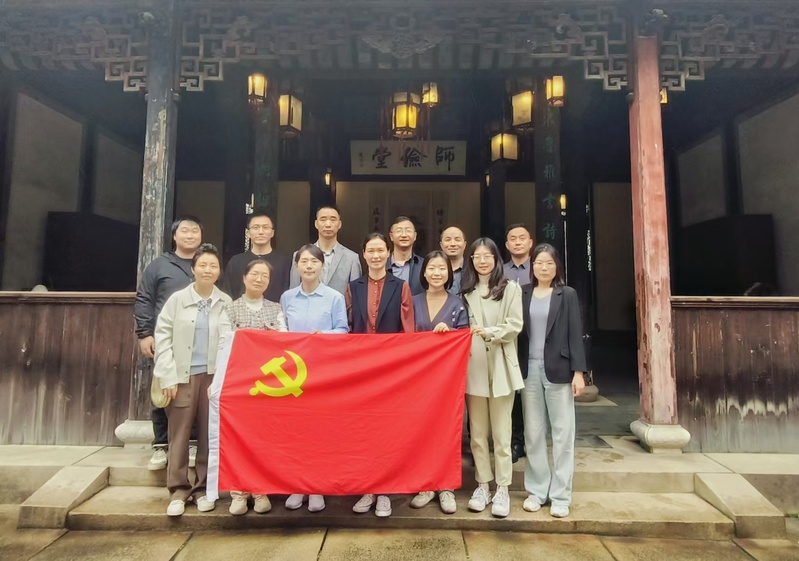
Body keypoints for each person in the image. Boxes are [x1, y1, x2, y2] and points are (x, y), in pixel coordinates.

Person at [154, 243, 232, 517]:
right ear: (193, 268)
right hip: (182, 376)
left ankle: (203, 488)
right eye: (203, 265)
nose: (208, 270)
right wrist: (168, 375)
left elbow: (229, 342)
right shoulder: (177, 300)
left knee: (210, 434)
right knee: (179, 433)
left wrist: (223, 378)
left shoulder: (225, 302)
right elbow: (163, 337)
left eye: (213, 266)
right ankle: (178, 489)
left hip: (213, 377)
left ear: (219, 271)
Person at [347, 232, 414, 518]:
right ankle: (367, 487)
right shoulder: (353, 287)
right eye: (370, 251)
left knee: (387, 429)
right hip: (360, 369)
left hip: (390, 370)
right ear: (364, 254)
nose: (375, 256)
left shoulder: (401, 287)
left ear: (388, 253)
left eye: (380, 251)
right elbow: (348, 327)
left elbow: (407, 330)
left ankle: (385, 490)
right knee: (364, 429)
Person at [518, 243, 587, 519]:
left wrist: (579, 372)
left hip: (559, 369)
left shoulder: (566, 294)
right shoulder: (523, 293)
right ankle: (537, 491)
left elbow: (575, 333)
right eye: (538, 263)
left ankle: (560, 495)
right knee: (533, 433)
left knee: (562, 434)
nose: (543, 267)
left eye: (549, 263)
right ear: (532, 266)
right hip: (529, 370)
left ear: (557, 266)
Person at [281, 244, 348, 513]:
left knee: (320, 432)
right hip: (294, 377)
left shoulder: (334, 298)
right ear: (296, 266)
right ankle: (297, 484)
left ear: (323, 266)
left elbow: (343, 330)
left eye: (314, 262)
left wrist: (323, 336)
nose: (309, 266)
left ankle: (317, 486)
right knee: (295, 432)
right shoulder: (287, 297)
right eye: (304, 262)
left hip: (323, 374)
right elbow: (282, 332)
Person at [218, 258, 288, 516]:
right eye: (255, 274)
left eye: (265, 276)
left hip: (268, 386)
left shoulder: (276, 309)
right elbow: (223, 346)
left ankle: (260, 490)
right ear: (244, 278)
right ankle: (239, 491)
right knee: (239, 438)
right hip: (238, 384)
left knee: (263, 439)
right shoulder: (230, 309)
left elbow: (283, 341)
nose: (259, 279)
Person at [134, 216, 203, 471]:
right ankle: (161, 445)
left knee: (194, 391)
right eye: (184, 231)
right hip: (167, 338)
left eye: (195, 231)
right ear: (174, 236)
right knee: (163, 389)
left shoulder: (204, 263)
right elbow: (144, 299)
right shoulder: (160, 265)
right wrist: (144, 333)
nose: (190, 235)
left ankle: (192, 443)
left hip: (199, 339)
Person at [461, 237, 523, 519]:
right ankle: (483, 485)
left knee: (501, 434)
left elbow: (515, 324)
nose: (482, 261)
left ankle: (503, 488)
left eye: (487, 256)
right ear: (471, 260)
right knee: (477, 434)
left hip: (501, 367)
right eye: (477, 256)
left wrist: (491, 333)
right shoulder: (466, 292)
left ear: (496, 259)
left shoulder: (510, 289)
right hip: (474, 367)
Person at [409, 250, 469, 515]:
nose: (436, 273)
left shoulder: (458, 304)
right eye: (431, 268)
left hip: (447, 382)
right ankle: (425, 485)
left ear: (449, 273)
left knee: (447, 431)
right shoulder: (412, 302)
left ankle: (446, 487)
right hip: (417, 380)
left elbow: (465, 339)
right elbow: (403, 338)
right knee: (421, 431)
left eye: (442, 268)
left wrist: (450, 335)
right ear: (424, 273)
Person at [502, 223, 534, 463]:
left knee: (532, 392)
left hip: (534, 337)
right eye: (513, 238)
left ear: (530, 243)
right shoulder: (500, 272)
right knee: (513, 391)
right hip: (508, 338)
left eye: (522, 238)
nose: (518, 242)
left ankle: (534, 440)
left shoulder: (540, 268)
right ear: (507, 245)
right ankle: (516, 440)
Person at [221, 211, 291, 302]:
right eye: (256, 227)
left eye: (265, 227)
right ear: (247, 233)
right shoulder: (235, 262)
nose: (261, 232)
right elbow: (228, 294)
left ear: (272, 233)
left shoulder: (284, 262)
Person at [289, 205, 361, 295]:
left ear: (339, 224)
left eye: (333, 220)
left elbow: (356, 294)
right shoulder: (300, 255)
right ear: (316, 224)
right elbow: (293, 291)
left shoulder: (352, 258)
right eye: (323, 219)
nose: (328, 224)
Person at [387, 216, 424, 295]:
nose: (404, 235)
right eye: (399, 231)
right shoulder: (382, 265)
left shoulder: (424, 265)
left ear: (415, 236)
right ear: (391, 236)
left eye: (408, 231)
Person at [439, 226, 466, 296]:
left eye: (457, 240)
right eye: (448, 240)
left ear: (464, 244)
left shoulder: (472, 269)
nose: (453, 244)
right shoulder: (434, 271)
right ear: (441, 245)